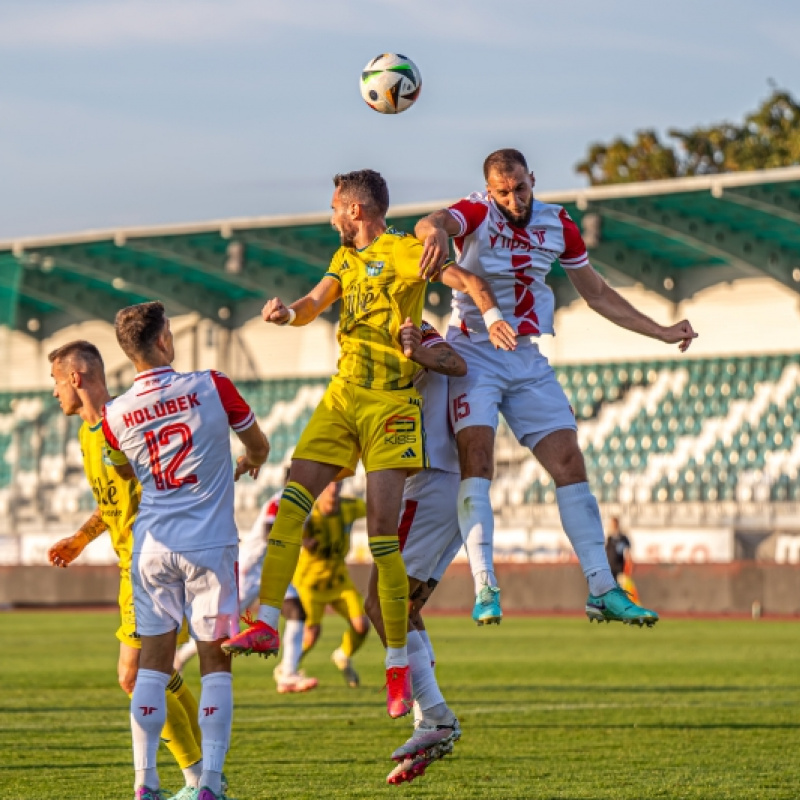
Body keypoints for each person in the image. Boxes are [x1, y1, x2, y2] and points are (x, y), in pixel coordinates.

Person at [222, 168, 515, 720]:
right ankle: (263, 623)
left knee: (383, 534)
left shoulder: (405, 252)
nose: (331, 215)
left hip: (391, 405)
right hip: (343, 396)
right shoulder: (343, 259)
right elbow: (313, 302)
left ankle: (397, 667)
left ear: (355, 211)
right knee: (292, 500)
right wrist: (287, 315)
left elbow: (471, 285)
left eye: (335, 207)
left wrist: (491, 314)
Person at [415, 147, 698, 627]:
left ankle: (603, 589)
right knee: (478, 459)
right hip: (474, 354)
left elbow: (599, 294)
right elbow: (430, 223)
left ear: (532, 180)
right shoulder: (478, 211)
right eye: (503, 191)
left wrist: (663, 331)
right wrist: (437, 233)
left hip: (525, 356)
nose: (513, 198)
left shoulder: (557, 224)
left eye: (520, 187)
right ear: (489, 190)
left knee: (569, 460)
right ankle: (485, 584)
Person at [102, 301, 269, 800]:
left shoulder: (115, 413)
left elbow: (123, 469)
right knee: (215, 662)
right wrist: (249, 460)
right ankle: (211, 785)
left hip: (151, 548)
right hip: (210, 548)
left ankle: (145, 782)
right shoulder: (211, 384)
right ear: (164, 341)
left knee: (153, 664)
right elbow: (257, 444)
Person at [46, 340, 204, 798]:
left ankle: (197, 780)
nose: (54, 393)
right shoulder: (86, 435)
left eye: (57, 382)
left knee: (135, 676)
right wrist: (80, 538)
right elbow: (110, 504)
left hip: (153, 562)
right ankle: (205, 772)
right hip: (128, 568)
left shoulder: (127, 422)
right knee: (157, 674)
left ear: (76, 378)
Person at [364, 319, 466, 786]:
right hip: (444, 485)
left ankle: (436, 717)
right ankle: (429, 725)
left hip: (429, 483)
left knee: (381, 605)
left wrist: (410, 353)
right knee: (408, 608)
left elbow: (453, 361)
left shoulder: (410, 326)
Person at [174, 470, 318, 696]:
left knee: (297, 613)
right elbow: (269, 533)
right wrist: (304, 541)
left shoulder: (306, 506)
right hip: (251, 569)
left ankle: (288, 673)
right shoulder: (280, 501)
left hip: (274, 569)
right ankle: (178, 658)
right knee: (220, 626)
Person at [290, 480, 370, 686]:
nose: (333, 489)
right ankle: (287, 669)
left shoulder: (349, 507)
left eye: (338, 484)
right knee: (311, 634)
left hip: (338, 581)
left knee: (361, 625)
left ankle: (343, 655)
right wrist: (303, 541)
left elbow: (376, 507)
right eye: (328, 485)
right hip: (310, 584)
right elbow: (287, 529)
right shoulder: (310, 514)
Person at [605, 516, 640, 604]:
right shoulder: (609, 538)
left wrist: (630, 565)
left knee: (623, 589)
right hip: (610, 568)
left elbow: (628, 553)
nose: (612, 526)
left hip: (620, 568)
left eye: (613, 524)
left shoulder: (623, 538)